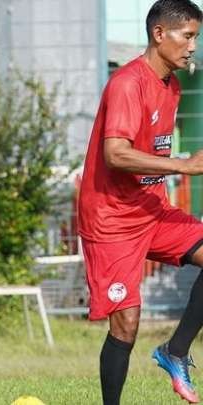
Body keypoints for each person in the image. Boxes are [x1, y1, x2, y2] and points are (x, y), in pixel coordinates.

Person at [77, 1, 203, 403]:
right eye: (187, 36)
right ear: (159, 34)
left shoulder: (173, 86)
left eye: (196, 38)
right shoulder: (128, 83)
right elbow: (116, 153)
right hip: (111, 219)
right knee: (126, 325)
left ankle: (175, 351)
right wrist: (182, 165)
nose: (192, 47)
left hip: (152, 210)